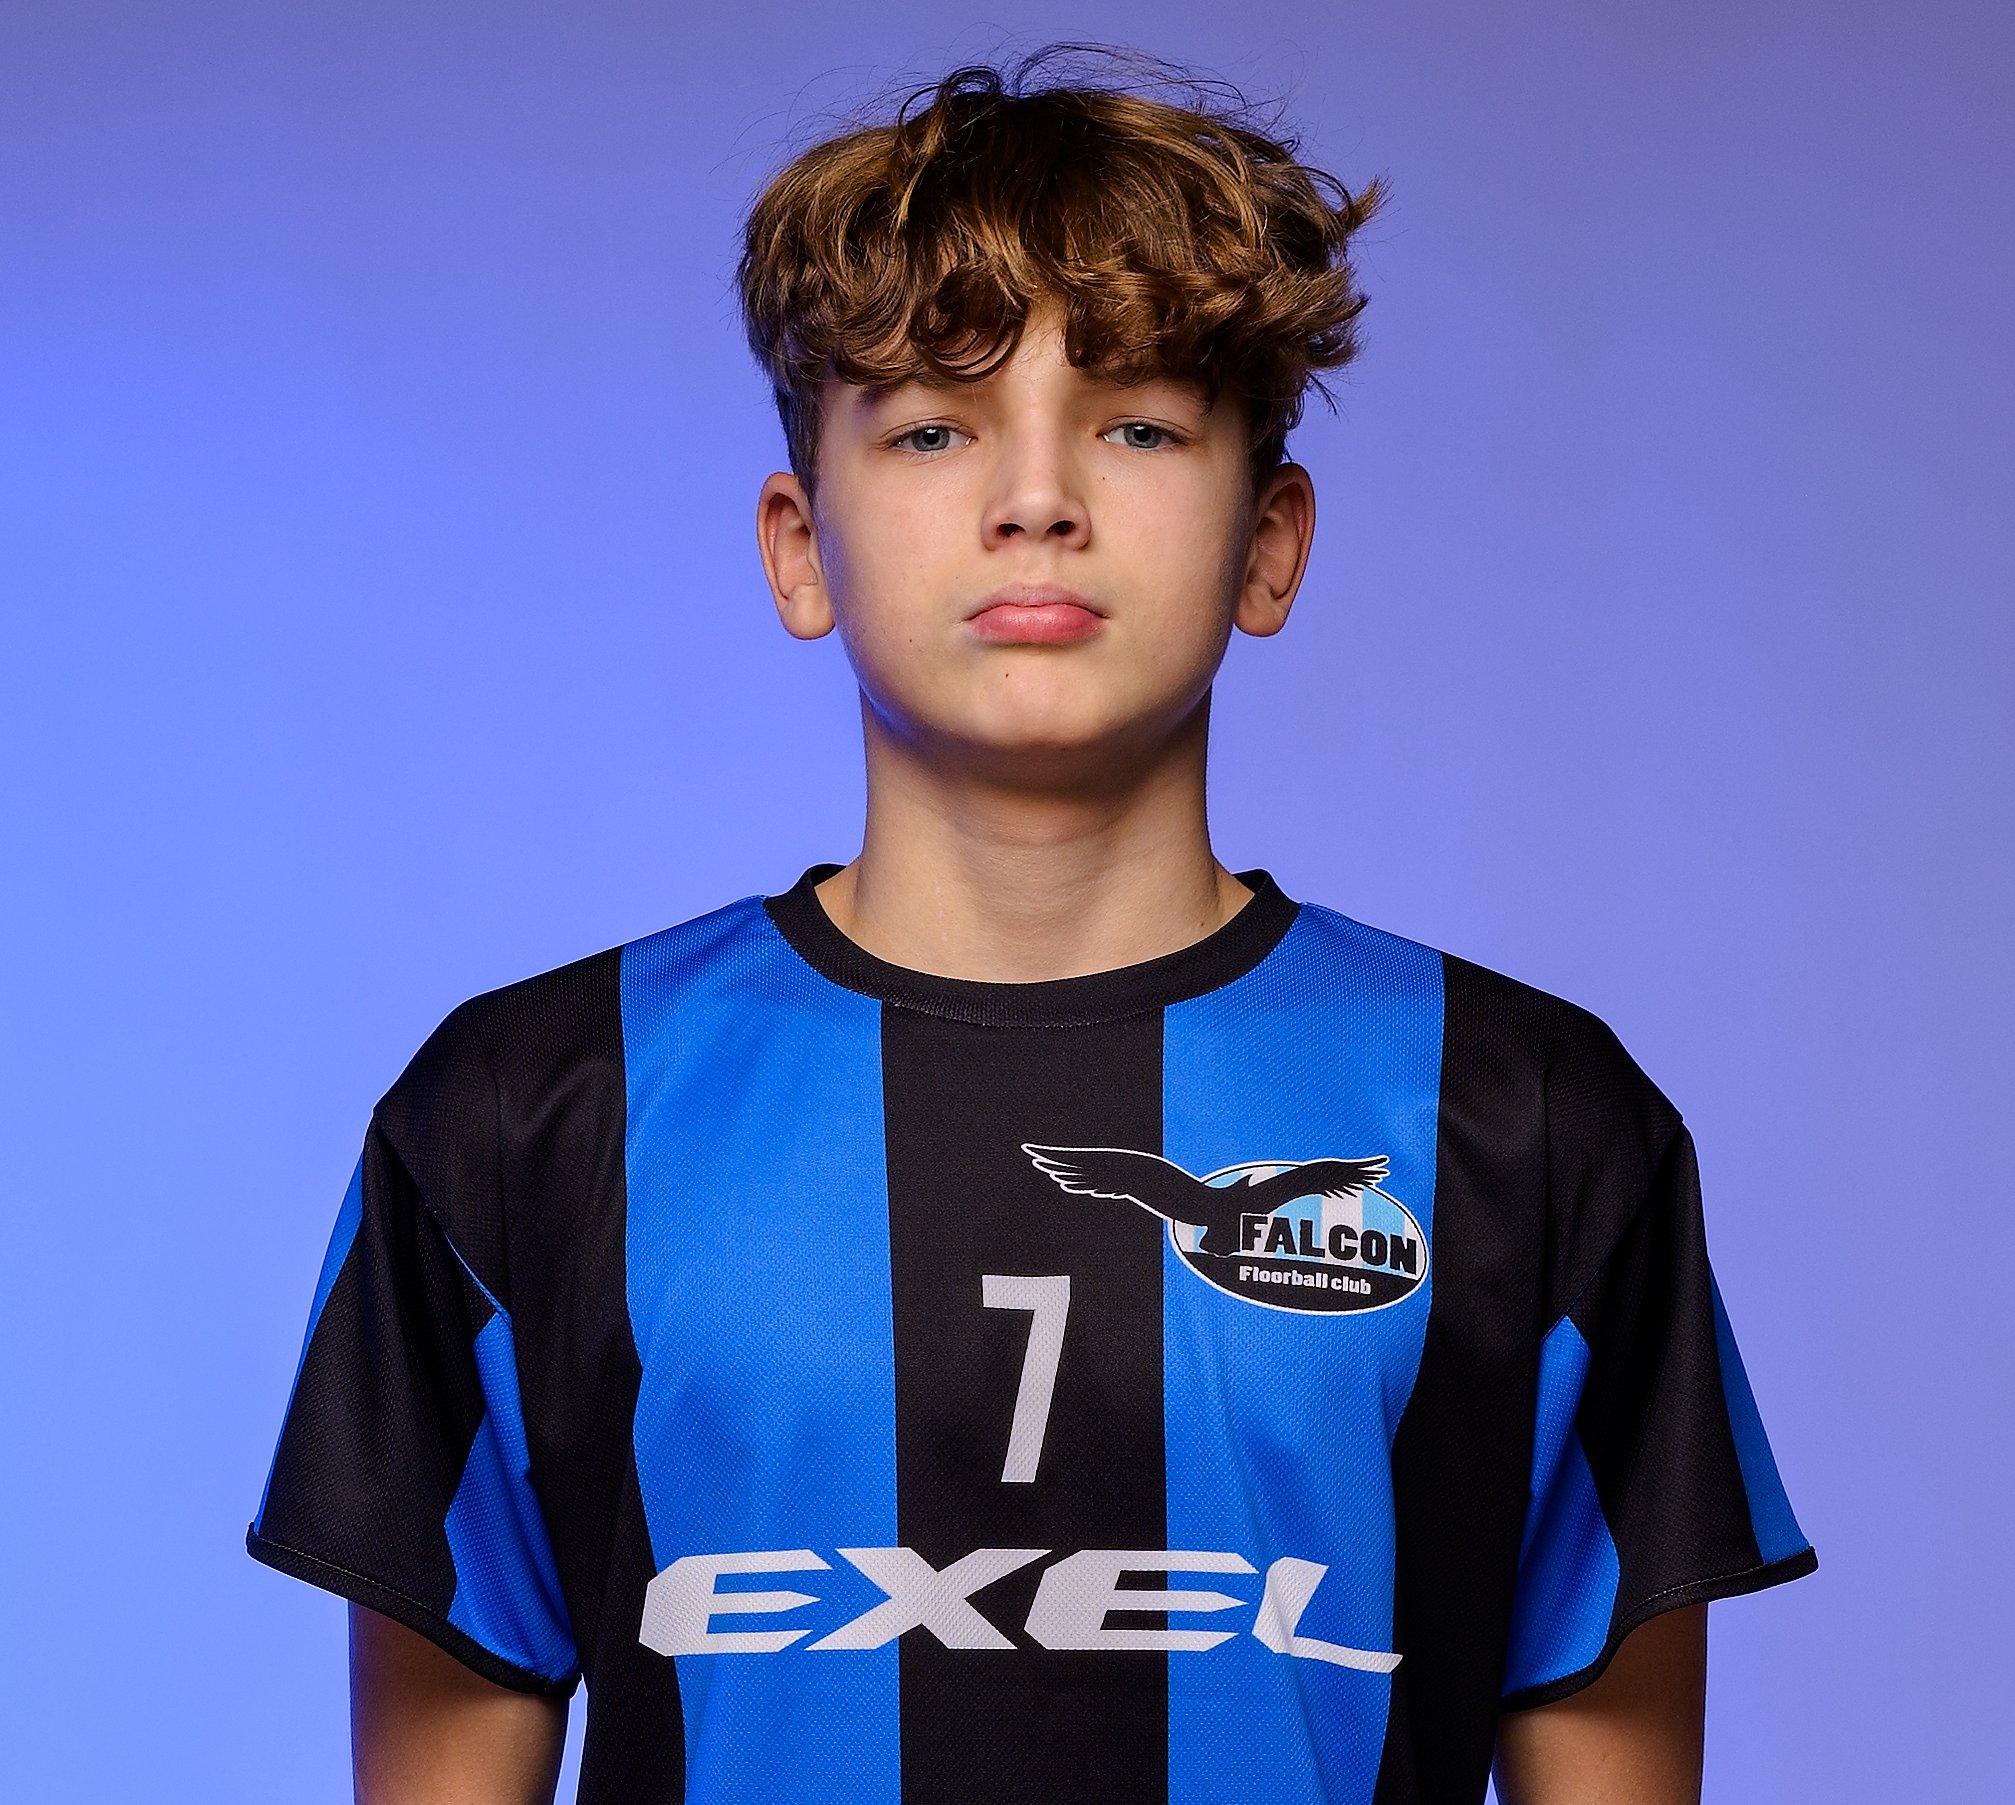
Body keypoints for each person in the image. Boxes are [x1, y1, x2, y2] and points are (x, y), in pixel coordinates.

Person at [249, 49, 1814, 1805]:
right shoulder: (528, 1116)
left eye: (1138, 423)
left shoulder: (1524, 1123)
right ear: (800, 545)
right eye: (933, 426)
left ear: (1272, 541)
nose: (1037, 498)